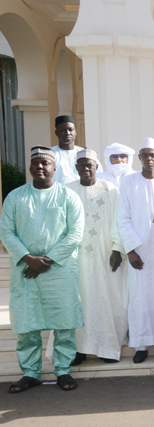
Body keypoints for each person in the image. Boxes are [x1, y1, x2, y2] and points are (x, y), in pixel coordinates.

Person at [0, 146, 84, 393]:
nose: (40, 167)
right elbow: (6, 231)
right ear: (30, 168)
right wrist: (28, 258)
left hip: (59, 269)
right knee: (27, 323)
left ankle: (63, 370)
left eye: (45, 163)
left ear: (54, 168)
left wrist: (45, 260)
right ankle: (30, 373)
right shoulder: (15, 196)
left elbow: (75, 233)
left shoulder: (68, 197)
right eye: (35, 163)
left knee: (64, 322)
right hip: (25, 269)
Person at [116, 138, 154, 363]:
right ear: (139, 158)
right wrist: (130, 250)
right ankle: (140, 346)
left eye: (153, 155)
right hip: (139, 250)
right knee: (139, 297)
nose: (149, 159)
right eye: (144, 155)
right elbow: (122, 218)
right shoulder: (128, 181)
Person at [68, 150, 128, 365]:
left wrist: (116, 249)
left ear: (96, 166)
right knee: (79, 300)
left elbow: (118, 220)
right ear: (76, 167)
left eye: (90, 164)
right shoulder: (68, 190)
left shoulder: (110, 189)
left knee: (105, 298)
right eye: (81, 164)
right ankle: (78, 349)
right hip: (76, 257)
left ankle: (106, 347)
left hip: (104, 255)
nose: (86, 168)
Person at [50, 115, 92, 184]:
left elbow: (98, 175)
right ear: (56, 133)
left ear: (75, 132)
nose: (67, 133)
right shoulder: (50, 154)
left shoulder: (85, 153)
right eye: (63, 130)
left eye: (70, 130)